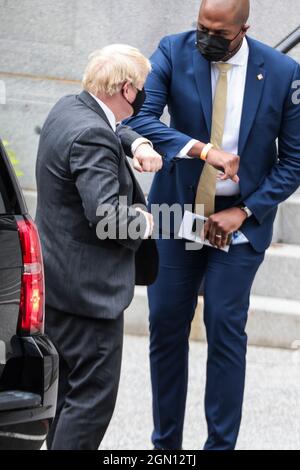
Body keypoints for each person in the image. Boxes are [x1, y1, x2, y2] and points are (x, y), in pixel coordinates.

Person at [125, 0, 300, 450]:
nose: (206, 38)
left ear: (244, 29)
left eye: (218, 33)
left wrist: (244, 211)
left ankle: (220, 447)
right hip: (175, 216)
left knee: (225, 326)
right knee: (165, 325)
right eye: (202, 26)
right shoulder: (173, 51)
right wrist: (203, 150)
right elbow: (143, 119)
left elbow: (293, 160)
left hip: (237, 225)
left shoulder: (282, 72)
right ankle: (166, 447)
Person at [35, 44, 163, 450]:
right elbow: (107, 216)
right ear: (127, 89)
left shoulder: (68, 108)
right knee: (90, 405)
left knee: (64, 399)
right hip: (90, 299)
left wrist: (136, 143)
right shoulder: (92, 135)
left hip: (57, 284)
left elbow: (107, 126)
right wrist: (141, 223)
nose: (142, 94)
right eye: (140, 88)